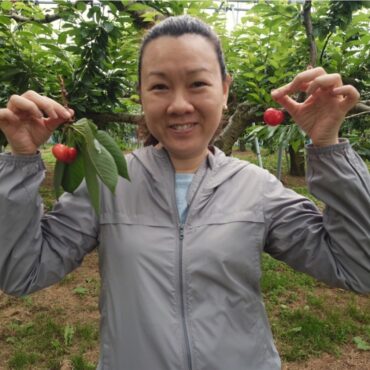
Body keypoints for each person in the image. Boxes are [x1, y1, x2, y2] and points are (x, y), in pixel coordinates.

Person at [0, 15, 369, 370]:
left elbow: (359, 269)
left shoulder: (257, 189)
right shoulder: (111, 184)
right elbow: (21, 273)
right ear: (141, 95)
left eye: (197, 84)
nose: (179, 104)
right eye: (159, 86)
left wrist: (327, 146)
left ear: (225, 90)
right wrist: (19, 159)